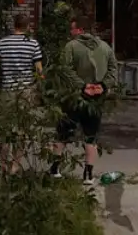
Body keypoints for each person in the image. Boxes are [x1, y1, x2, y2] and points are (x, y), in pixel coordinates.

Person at [50, 14, 117, 184]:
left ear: (79, 30)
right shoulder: (105, 47)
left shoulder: (71, 46)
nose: (71, 32)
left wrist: (82, 86)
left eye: (72, 29)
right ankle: (88, 175)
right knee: (91, 136)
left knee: (63, 134)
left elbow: (65, 70)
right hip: (95, 100)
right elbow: (113, 70)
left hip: (73, 98)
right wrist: (102, 85)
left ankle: (55, 169)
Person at [0, 12, 43, 174]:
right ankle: (15, 165)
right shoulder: (33, 43)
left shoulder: (3, 43)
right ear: (27, 26)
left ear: (14, 25)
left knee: (5, 128)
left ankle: (3, 164)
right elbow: (39, 70)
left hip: (7, 90)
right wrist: (38, 90)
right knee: (21, 129)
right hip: (26, 91)